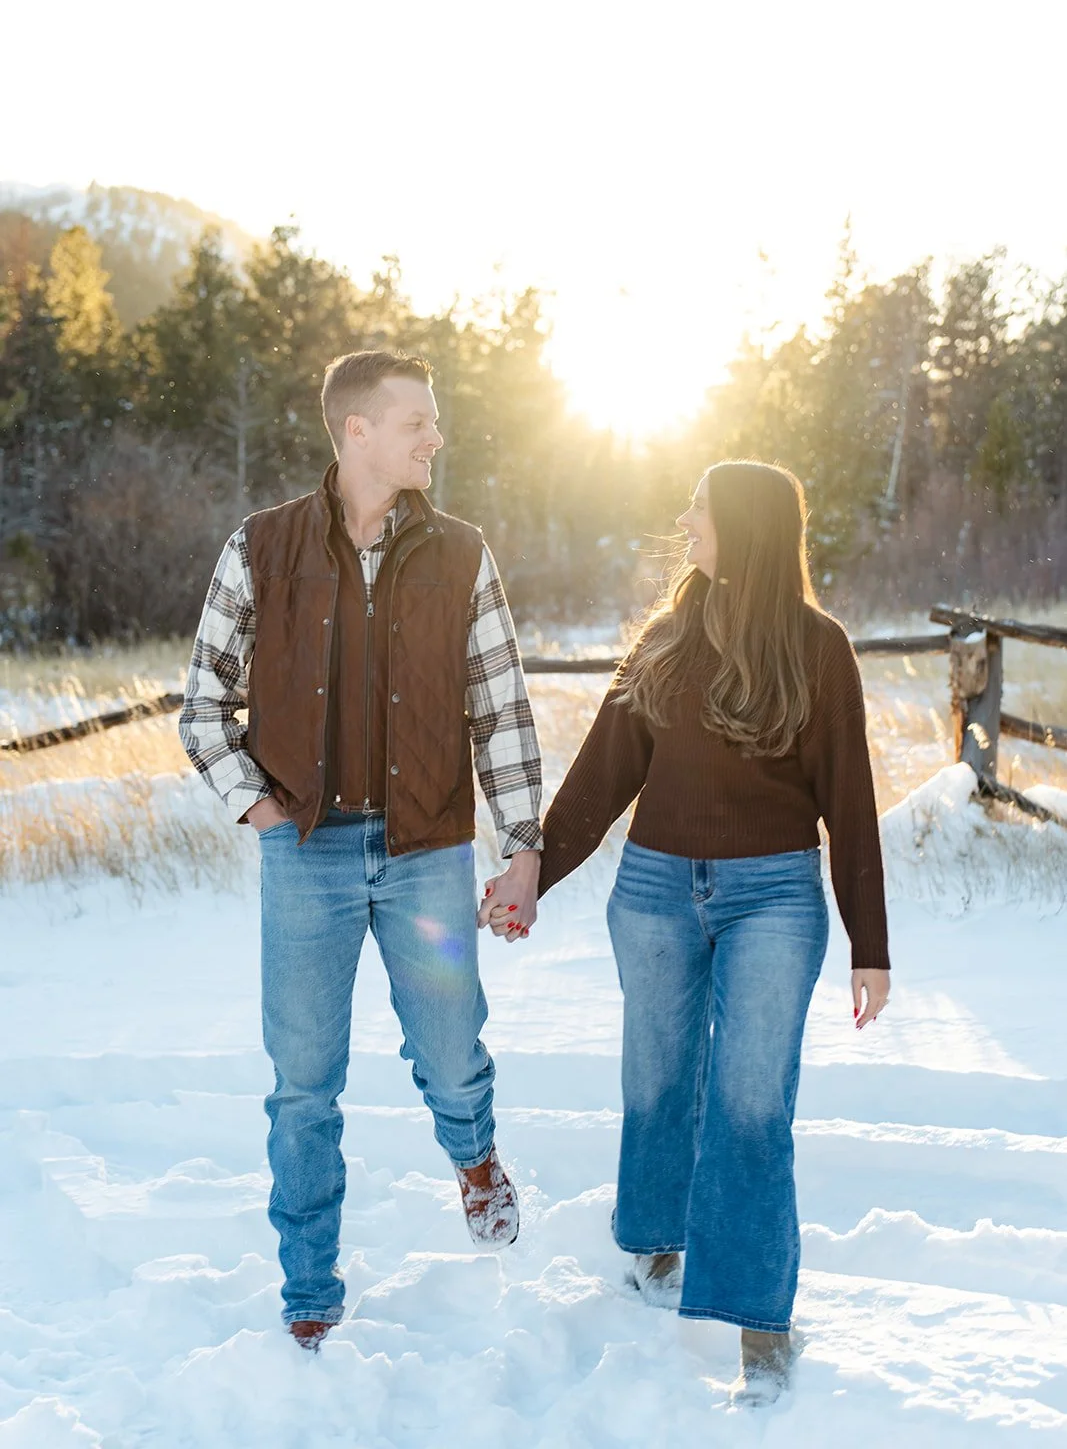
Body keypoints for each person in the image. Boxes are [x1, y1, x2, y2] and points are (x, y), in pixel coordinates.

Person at [482, 459, 890, 1405]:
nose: (683, 520)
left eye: (699, 509)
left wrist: (868, 944)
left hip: (774, 900)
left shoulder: (817, 648)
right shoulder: (667, 637)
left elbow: (851, 807)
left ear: (743, 525)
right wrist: (534, 867)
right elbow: (602, 772)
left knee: (751, 1108)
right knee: (657, 1082)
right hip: (656, 890)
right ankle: (656, 1252)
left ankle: (759, 1322)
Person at [180, 349, 542, 1351]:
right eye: (417, 419)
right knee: (303, 1079)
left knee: (450, 1048)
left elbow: (500, 708)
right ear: (356, 432)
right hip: (305, 852)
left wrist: (522, 848)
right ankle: (309, 1287)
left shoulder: (463, 553)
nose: (435, 436)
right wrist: (257, 808)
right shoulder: (259, 548)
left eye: (434, 420)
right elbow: (203, 704)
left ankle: (474, 1162)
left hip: (427, 850)